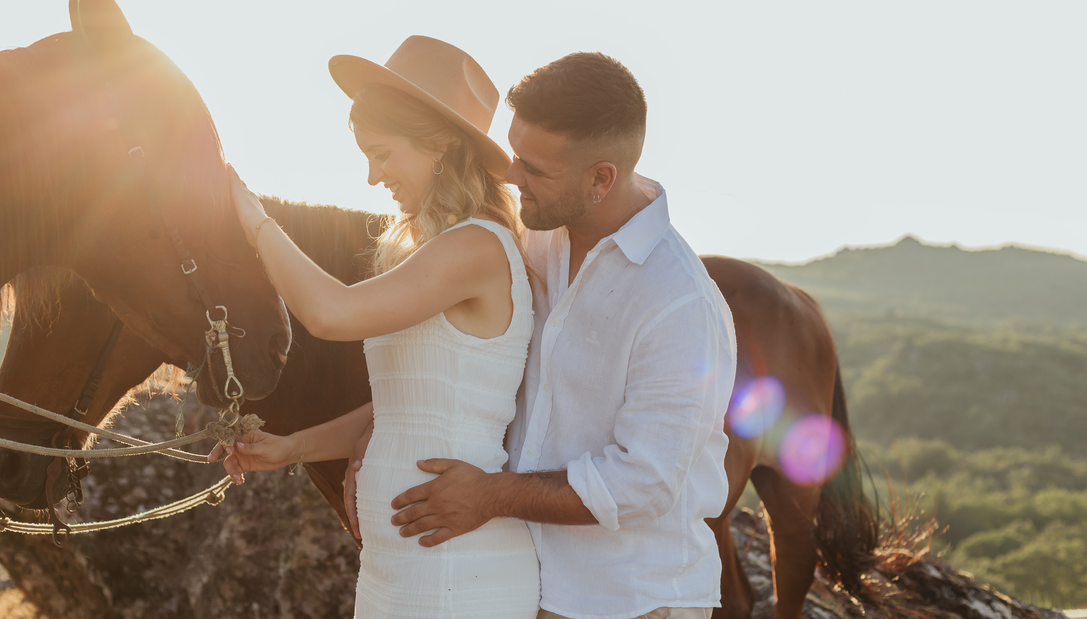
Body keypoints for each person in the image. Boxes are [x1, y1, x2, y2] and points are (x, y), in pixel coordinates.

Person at [363, 52, 739, 619]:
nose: (513, 177)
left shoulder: (680, 305)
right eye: (516, 155)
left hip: (630, 602)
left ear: (601, 178)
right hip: (528, 587)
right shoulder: (537, 243)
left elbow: (644, 482)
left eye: (535, 169)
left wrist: (492, 494)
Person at [212, 36, 540, 618]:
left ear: (439, 143)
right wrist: (291, 448)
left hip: (456, 575)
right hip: (400, 569)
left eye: (382, 153)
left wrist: (253, 219)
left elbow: (329, 312)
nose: (371, 177)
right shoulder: (441, 249)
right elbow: (400, 408)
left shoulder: (476, 246)